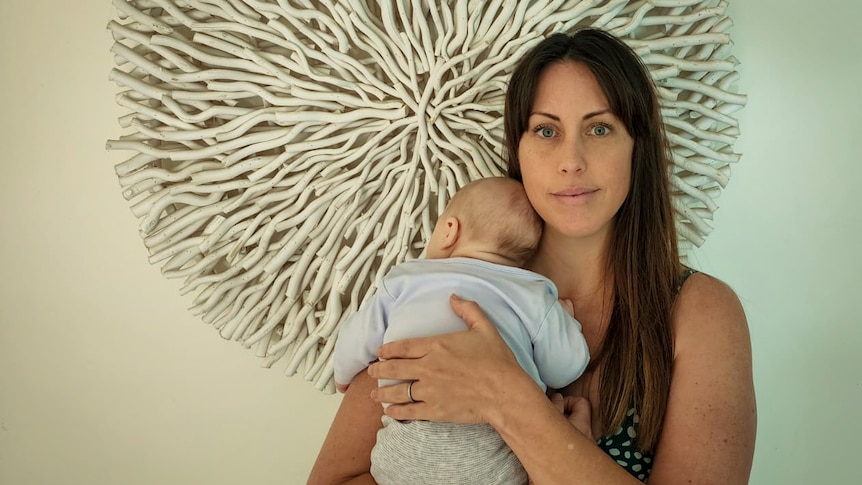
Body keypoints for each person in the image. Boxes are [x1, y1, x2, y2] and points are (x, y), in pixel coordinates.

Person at [309, 28, 756, 485]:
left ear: (636, 146)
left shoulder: (700, 312)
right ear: (518, 150)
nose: (571, 160)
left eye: (599, 128)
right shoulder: (448, 288)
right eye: (546, 130)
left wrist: (507, 399)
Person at [333, 176, 590, 485]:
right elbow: (564, 370)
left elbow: (357, 337)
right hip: (491, 452)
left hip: (408, 445)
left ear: (449, 230)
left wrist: (342, 375)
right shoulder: (533, 295)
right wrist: (565, 321)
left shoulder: (405, 280)